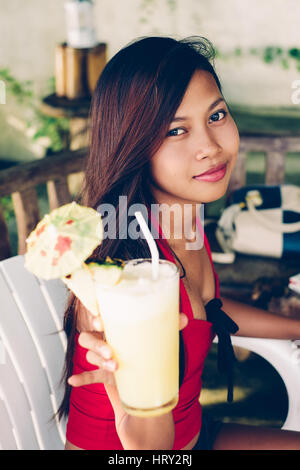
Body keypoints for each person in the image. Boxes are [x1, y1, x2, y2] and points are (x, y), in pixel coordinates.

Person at [58, 35, 300, 450]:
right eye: (175, 130)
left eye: (217, 115)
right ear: (132, 146)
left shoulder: (180, 221)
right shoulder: (124, 283)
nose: (209, 146)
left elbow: (208, 309)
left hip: (193, 432)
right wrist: (138, 415)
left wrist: (295, 327)